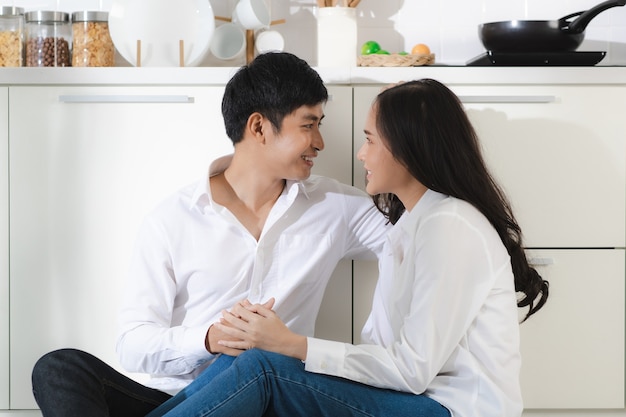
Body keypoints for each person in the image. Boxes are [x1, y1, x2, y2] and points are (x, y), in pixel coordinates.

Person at [145, 78, 550, 417]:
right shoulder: (411, 225)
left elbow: (412, 370)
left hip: (450, 408)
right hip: (410, 399)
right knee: (244, 356)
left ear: (408, 147)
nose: (359, 154)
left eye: (370, 140)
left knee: (264, 368)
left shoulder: (451, 226)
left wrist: (291, 344)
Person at [30, 52, 389, 417]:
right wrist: (209, 338)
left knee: (254, 367)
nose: (320, 142)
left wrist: (404, 131)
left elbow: (420, 236)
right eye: (308, 125)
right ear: (259, 127)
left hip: (265, 397)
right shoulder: (173, 219)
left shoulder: (335, 206)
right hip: (178, 401)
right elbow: (132, 344)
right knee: (59, 368)